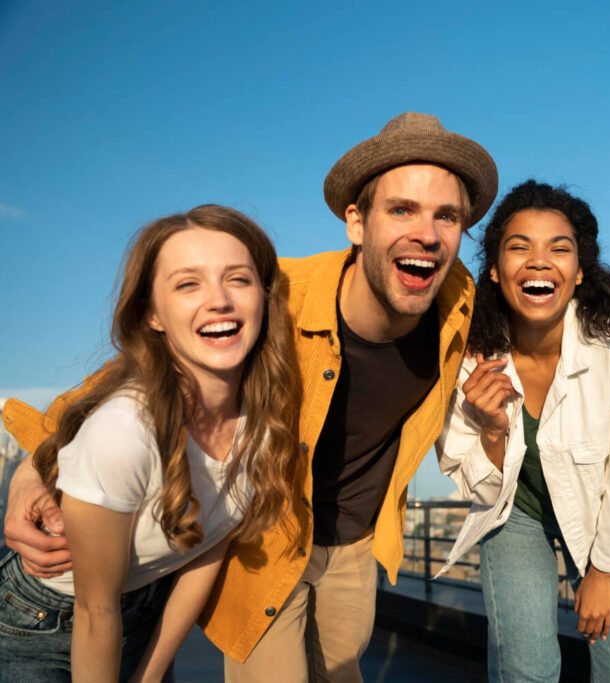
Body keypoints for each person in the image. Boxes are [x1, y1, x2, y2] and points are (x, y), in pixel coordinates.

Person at [1, 112, 499, 683]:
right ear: (357, 223)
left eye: (447, 216)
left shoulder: (457, 299)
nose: (428, 233)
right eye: (402, 209)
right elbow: (126, 378)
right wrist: (35, 470)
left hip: (357, 545)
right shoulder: (275, 295)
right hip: (265, 534)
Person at [0, 205, 303, 682]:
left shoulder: (265, 421)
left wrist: (151, 670)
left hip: (144, 610)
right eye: (188, 284)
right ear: (152, 314)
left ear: (264, 298)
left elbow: (207, 547)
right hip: (40, 621)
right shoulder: (124, 431)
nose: (219, 299)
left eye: (238, 279)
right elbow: (94, 609)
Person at [436, 180, 610, 682]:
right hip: (515, 512)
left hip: (601, 511)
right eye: (519, 247)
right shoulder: (466, 356)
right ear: (495, 270)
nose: (539, 261)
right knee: (527, 668)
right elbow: (475, 484)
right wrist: (492, 431)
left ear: (580, 271)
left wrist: (603, 572)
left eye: (559, 249)